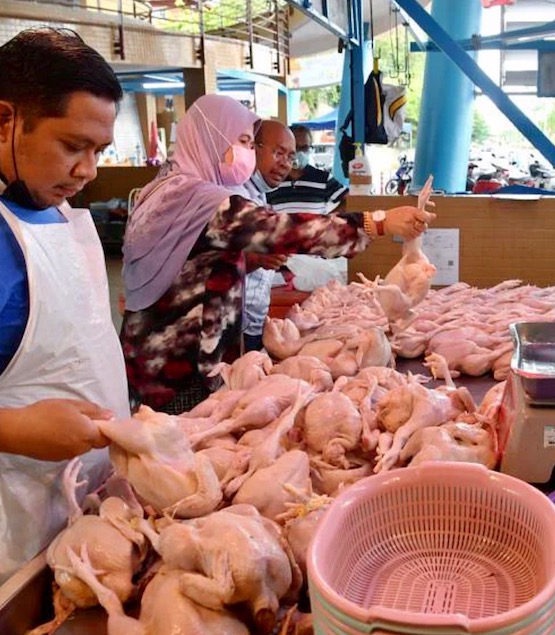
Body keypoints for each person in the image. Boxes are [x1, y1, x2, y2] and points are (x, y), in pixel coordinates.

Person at [0, 28, 129, 606]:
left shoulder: (28, 184)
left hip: (70, 486)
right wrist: (14, 429)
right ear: (3, 119)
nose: (89, 170)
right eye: (74, 145)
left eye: (100, 150)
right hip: (0, 504)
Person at [120, 94, 433, 415]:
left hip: (154, 354)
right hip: (174, 367)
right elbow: (282, 229)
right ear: (211, 138)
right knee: (177, 452)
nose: (246, 152)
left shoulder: (163, 189)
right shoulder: (199, 199)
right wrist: (376, 222)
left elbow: (195, 264)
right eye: (242, 141)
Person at [236, 119, 294, 352]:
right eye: (279, 153)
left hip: (253, 318)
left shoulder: (259, 194)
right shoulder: (234, 196)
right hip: (234, 322)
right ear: (252, 147)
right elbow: (207, 265)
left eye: (291, 157)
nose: (286, 164)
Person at [265, 124, 348, 214]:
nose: (300, 153)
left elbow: (350, 199)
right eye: (296, 147)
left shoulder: (323, 178)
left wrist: (328, 219)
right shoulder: (273, 179)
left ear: (310, 148)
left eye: (305, 148)